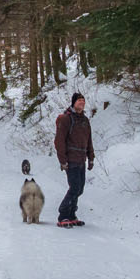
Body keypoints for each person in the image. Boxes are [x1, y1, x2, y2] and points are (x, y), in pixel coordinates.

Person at [53, 92, 94, 227]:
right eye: (79, 101)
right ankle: (63, 215)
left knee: (79, 189)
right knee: (75, 187)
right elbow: (59, 141)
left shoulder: (85, 120)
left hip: (81, 159)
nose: (81, 103)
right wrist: (63, 160)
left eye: (83, 101)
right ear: (73, 103)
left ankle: (71, 215)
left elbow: (89, 141)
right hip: (70, 159)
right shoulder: (66, 119)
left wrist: (91, 158)